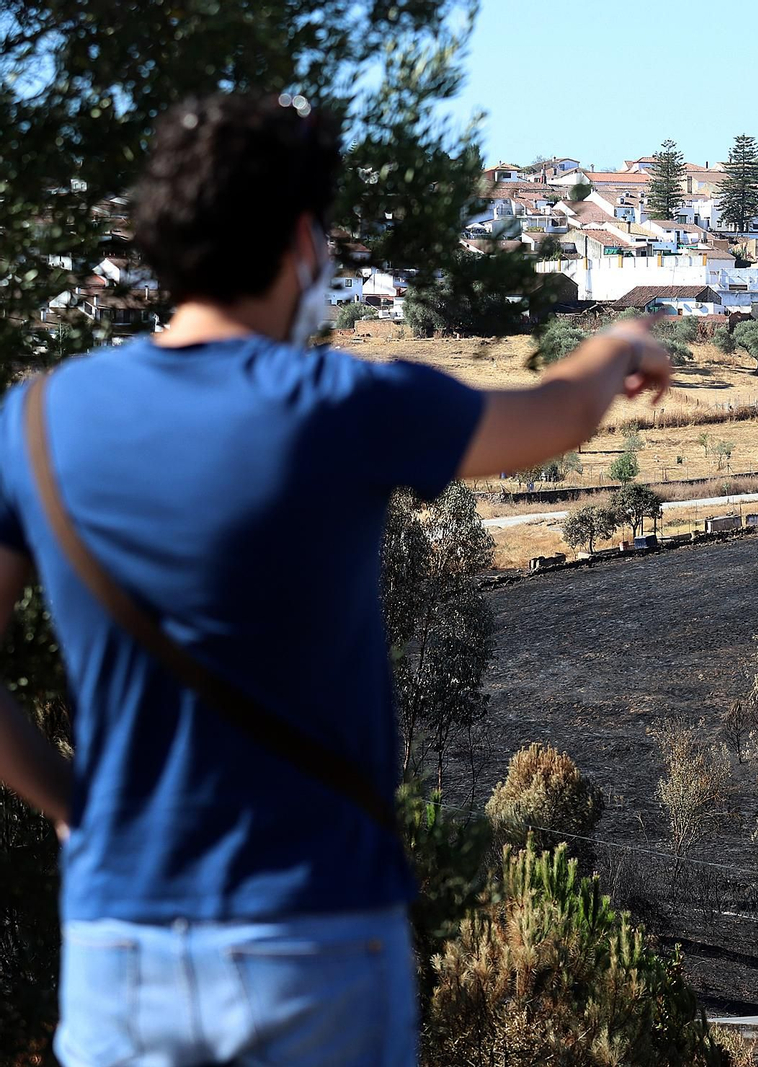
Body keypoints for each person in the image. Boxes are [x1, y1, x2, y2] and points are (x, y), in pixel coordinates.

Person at [0, 93, 671, 1065]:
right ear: (304, 243)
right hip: (313, 936)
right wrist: (619, 347)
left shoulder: (33, 426)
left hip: (123, 946)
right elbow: (554, 416)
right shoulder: (343, 407)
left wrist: (72, 805)